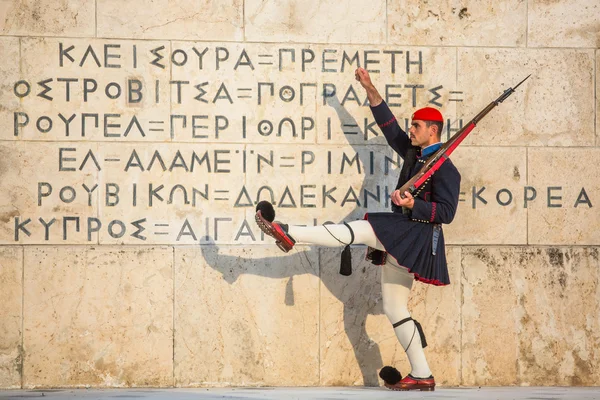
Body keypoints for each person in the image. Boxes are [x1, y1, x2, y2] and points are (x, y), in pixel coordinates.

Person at [254, 67, 461, 391]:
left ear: (433, 131)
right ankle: (422, 374)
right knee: (394, 306)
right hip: (404, 236)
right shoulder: (413, 154)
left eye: (417, 126)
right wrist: (368, 87)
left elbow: (446, 213)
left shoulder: (446, 168)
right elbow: (388, 124)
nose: (410, 129)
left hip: (416, 235)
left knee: (360, 229)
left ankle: (289, 231)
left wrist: (411, 206)